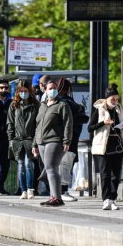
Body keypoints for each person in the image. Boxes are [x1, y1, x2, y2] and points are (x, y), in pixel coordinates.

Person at [89, 84, 123, 211]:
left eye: (116, 99)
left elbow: (121, 129)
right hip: (102, 147)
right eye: (112, 99)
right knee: (105, 173)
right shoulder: (99, 110)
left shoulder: (119, 110)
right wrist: (103, 123)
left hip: (117, 145)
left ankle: (112, 199)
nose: (115, 101)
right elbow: (90, 127)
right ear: (106, 99)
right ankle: (106, 199)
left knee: (116, 175)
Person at [33, 79, 73, 207]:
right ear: (45, 90)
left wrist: (67, 140)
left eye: (54, 88)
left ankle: (57, 197)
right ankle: (53, 196)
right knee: (50, 169)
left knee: (51, 168)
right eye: (50, 88)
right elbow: (38, 125)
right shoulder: (42, 105)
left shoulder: (62, 105)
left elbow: (68, 124)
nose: (52, 90)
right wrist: (34, 144)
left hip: (55, 140)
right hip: (41, 141)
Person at [57, 78, 89, 202]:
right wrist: (79, 109)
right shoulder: (67, 101)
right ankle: (63, 190)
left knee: (62, 165)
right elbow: (76, 118)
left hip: (61, 137)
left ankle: (59, 190)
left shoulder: (57, 101)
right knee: (65, 165)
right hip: (69, 138)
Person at [8, 83, 38, 199]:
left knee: (28, 164)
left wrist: (36, 141)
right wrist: (11, 139)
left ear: (29, 91)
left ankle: (30, 188)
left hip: (30, 140)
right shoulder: (14, 105)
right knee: (20, 165)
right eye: (21, 91)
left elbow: (38, 124)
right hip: (17, 140)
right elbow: (10, 123)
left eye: (26, 91)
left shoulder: (35, 104)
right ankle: (23, 190)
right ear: (18, 92)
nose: (24, 93)